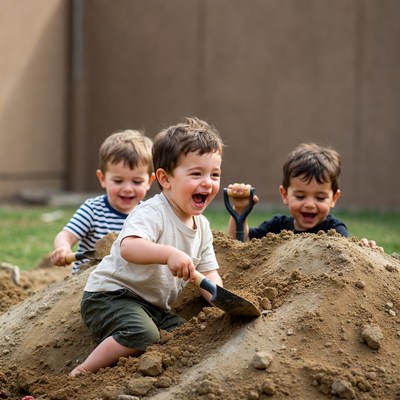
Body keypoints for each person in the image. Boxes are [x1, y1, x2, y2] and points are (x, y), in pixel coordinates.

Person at [69, 117, 224, 377]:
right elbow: (129, 247)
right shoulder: (152, 212)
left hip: (154, 308)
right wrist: (169, 254)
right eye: (196, 174)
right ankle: (84, 371)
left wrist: (221, 299)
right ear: (164, 178)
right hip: (111, 296)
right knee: (143, 333)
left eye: (215, 174)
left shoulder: (203, 226)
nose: (208, 182)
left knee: (186, 335)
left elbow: (208, 272)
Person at [227, 142, 383, 250]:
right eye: (300, 196)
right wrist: (240, 211)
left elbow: (346, 257)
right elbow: (241, 245)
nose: (309, 204)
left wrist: (364, 249)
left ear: (333, 199)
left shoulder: (334, 230)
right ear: (285, 195)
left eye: (320, 198)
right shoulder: (276, 227)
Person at [51, 130, 155, 273]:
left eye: (137, 182)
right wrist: (62, 248)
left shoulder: (149, 214)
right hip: (87, 281)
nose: (127, 189)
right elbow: (67, 235)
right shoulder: (93, 209)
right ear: (102, 179)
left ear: (149, 181)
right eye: (118, 181)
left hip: (127, 283)